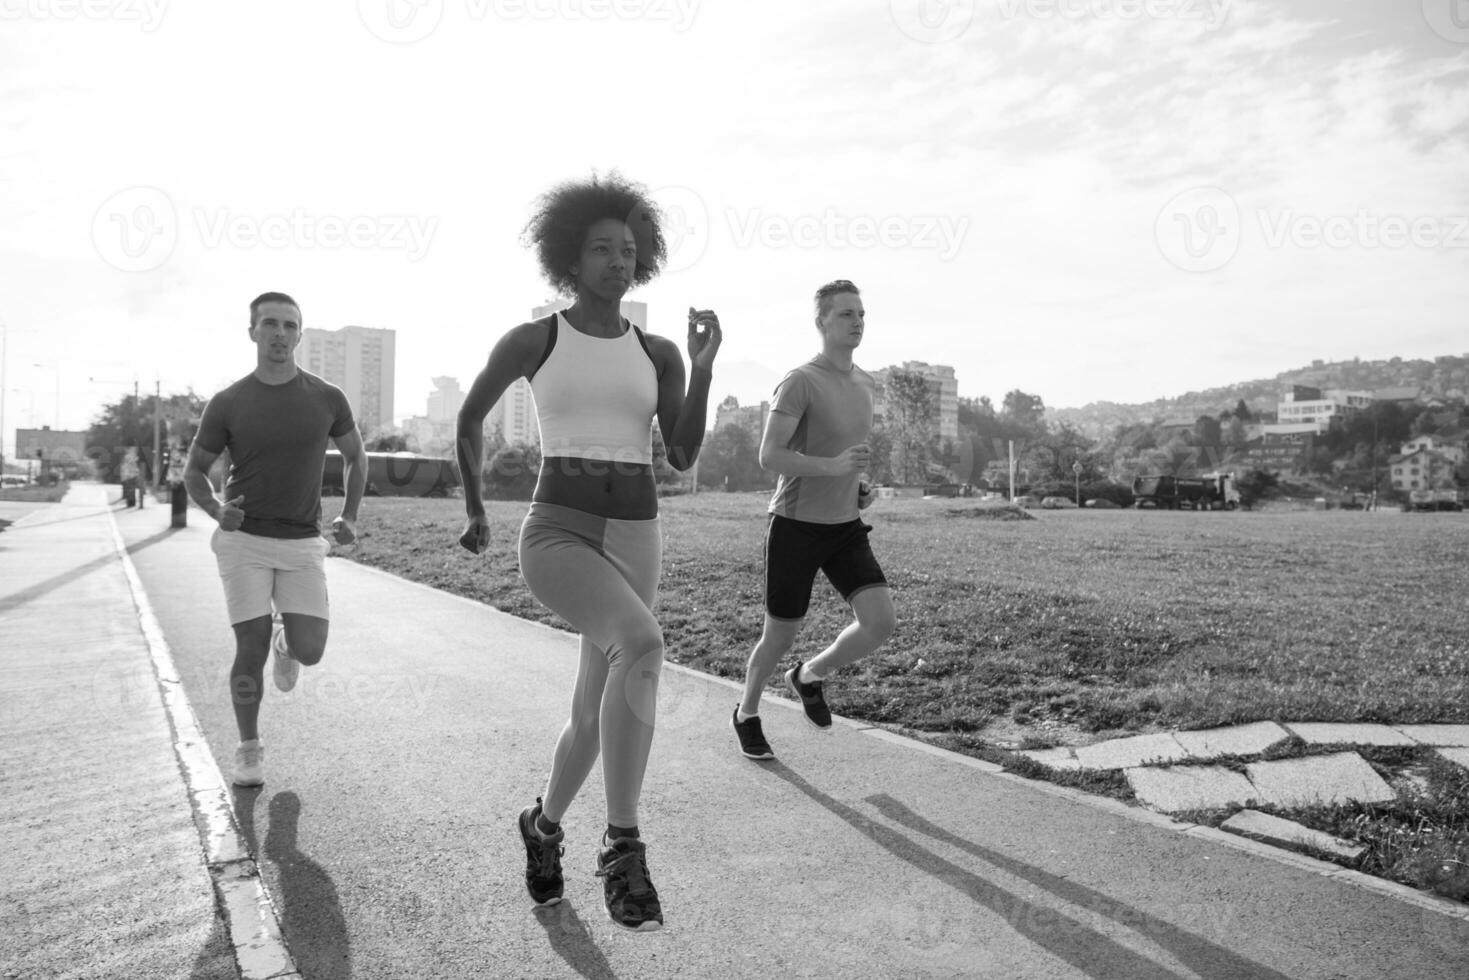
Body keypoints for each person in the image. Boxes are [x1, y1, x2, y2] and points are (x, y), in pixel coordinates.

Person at [456, 173, 719, 932]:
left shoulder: (658, 350)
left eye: (628, 249)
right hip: (557, 533)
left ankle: (542, 828)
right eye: (600, 247)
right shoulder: (535, 338)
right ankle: (623, 847)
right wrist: (476, 508)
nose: (615, 258)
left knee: (591, 710)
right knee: (640, 644)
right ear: (570, 257)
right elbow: (469, 420)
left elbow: (684, 452)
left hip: (637, 533)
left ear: (642, 263)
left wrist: (701, 367)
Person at [183, 291, 367, 787]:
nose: (280, 333)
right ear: (253, 333)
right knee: (250, 645)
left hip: (303, 540)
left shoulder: (327, 397)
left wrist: (350, 513)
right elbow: (194, 472)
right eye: (270, 324)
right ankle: (248, 749)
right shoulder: (229, 402)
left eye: (290, 325)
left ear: (300, 335)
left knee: (310, 649)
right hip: (244, 541)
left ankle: (289, 644)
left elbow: (355, 455)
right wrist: (217, 512)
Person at [731, 279, 896, 761]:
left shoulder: (867, 383)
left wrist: (859, 486)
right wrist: (834, 469)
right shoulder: (800, 380)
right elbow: (770, 455)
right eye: (846, 314)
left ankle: (808, 676)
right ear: (821, 322)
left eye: (861, 313)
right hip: (796, 525)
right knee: (779, 635)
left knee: (880, 623)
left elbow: (850, 457)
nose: (857, 321)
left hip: (844, 526)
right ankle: (747, 713)